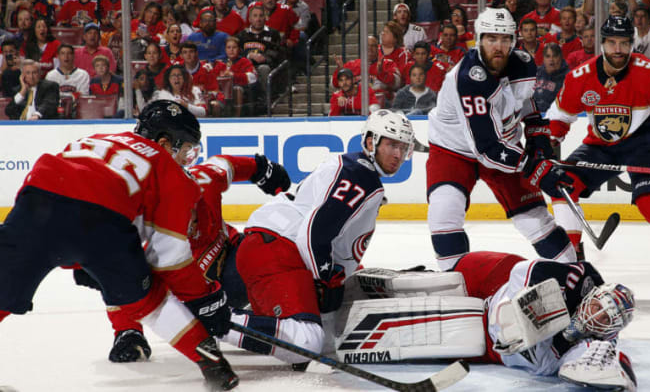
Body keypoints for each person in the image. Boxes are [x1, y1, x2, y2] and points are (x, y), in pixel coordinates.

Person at [0, 100, 239, 390]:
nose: (187, 159)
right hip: (101, 220)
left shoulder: (99, 138)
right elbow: (170, 259)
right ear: (165, 143)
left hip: (36, 198)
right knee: (147, 300)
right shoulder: (169, 170)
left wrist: (80, 257)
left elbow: (65, 205)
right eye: (185, 149)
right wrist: (204, 301)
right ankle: (212, 364)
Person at [220, 110, 415, 367]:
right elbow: (315, 234)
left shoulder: (352, 166)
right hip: (278, 253)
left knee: (325, 338)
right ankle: (217, 319)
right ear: (370, 142)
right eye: (391, 145)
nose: (398, 155)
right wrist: (327, 280)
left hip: (269, 248)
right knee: (307, 344)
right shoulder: (362, 178)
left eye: (403, 147)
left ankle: (254, 320)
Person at [545, 16, 650, 299]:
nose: (618, 49)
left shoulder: (648, 72)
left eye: (624, 43)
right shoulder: (580, 77)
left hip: (644, 142)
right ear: (601, 44)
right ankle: (571, 264)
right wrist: (548, 143)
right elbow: (558, 117)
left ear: (632, 44)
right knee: (562, 183)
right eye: (612, 42)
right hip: (600, 145)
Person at [72, 153, 290, 363]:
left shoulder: (205, 181)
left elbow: (226, 164)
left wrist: (261, 170)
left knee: (264, 252)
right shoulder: (150, 240)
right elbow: (119, 284)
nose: (181, 218)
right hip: (197, 297)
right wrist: (128, 332)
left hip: (234, 262)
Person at [336, 250, 638, 391]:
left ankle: (351, 325)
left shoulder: (598, 345)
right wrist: (528, 311)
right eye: (598, 305)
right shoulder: (577, 279)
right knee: (432, 284)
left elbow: (610, 368)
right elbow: (532, 271)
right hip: (496, 276)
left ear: (611, 332)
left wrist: (565, 340)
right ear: (593, 293)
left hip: (488, 338)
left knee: (450, 328)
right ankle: (394, 278)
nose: (595, 315)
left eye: (604, 319)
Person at [426, 7, 577, 271]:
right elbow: (487, 148)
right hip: (453, 150)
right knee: (444, 212)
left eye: (505, 39)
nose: (499, 46)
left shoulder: (523, 62)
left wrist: (537, 137)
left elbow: (528, 103)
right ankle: (457, 282)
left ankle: (574, 276)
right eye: (491, 39)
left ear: (514, 41)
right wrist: (534, 166)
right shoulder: (467, 78)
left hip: (504, 144)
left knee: (535, 217)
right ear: (479, 39)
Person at [331, 35, 402, 103]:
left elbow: (397, 84)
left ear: (378, 48)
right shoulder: (351, 65)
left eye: (373, 46)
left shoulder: (388, 63)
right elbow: (334, 85)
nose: (369, 48)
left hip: (381, 105)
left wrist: (381, 72)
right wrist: (339, 71)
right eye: (367, 45)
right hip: (355, 104)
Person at [533, 42, 569, 112]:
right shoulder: (536, 73)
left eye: (555, 56)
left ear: (561, 57)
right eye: (548, 56)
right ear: (543, 58)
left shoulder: (569, 77)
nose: (551, 59)